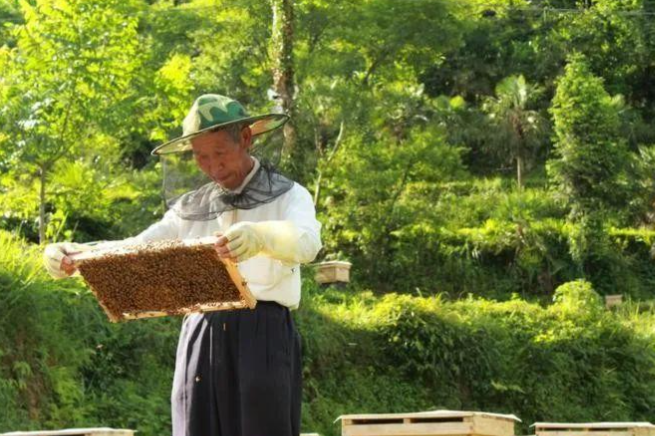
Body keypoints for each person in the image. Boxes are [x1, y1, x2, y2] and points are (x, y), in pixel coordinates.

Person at [43, 94, 323, 436]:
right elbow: (141, 246)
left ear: (246, 138)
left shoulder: (291, 195)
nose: (212, 166)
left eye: (219, 153)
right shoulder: (190, 207)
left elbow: (308, 243)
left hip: (262, 332)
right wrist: (77, 254)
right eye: (201, 157)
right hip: (200, 331)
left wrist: (262, 236)